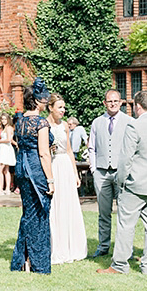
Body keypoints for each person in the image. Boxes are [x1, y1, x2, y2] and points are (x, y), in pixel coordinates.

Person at [97, 91, 147, 276]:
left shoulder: (134, 126)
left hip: (135, 185)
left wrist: (121, 182)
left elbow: (124, 160)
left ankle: (120, 265)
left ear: (138, 106)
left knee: (126, 225)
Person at [11, 78, 54, 274]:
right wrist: (51, 180)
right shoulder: (41, 122)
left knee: (28, 213)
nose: (46, 102)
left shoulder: (20, 122)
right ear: (36, 101)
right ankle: (38, 263)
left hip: (20, 168)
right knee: (40, 214)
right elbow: (44, 153)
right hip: (36, 171)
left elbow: (19, 145)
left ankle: (23, 260)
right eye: (43, 99)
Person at [87, 89, 135, 257]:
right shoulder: (97, 122)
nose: (113, 104)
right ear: (104, 103)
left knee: (125, 212)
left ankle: (124, 249)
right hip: (101, 173)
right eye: (110, 101)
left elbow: (134, 149)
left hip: (121, 173)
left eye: (116, 101)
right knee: (103, 212)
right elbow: (91, 147)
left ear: (121, 102)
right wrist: (93, 169)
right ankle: (103, 246)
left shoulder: (130, 122)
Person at [47, 94, 87, 265]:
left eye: (64, 107)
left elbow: (70, 150)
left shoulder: (65, 126)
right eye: (60, 107)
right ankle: (56, 246)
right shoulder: (44, 125)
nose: (63, 111)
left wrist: (75, 172)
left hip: (65, 165)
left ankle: (72, 246)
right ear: (50, 108)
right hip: (52, 165)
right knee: (55, 205)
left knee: (69, 204)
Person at [0, 112, 16, 195]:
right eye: (2, 119)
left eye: (5, 119)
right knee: (6, 170)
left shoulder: (9, 128)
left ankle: (1, 189)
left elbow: (9, 139)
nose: (3, 121)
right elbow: (11, 140)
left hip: (5, 149)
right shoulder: (4, 128)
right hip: (4, 148)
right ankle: (7, 189)